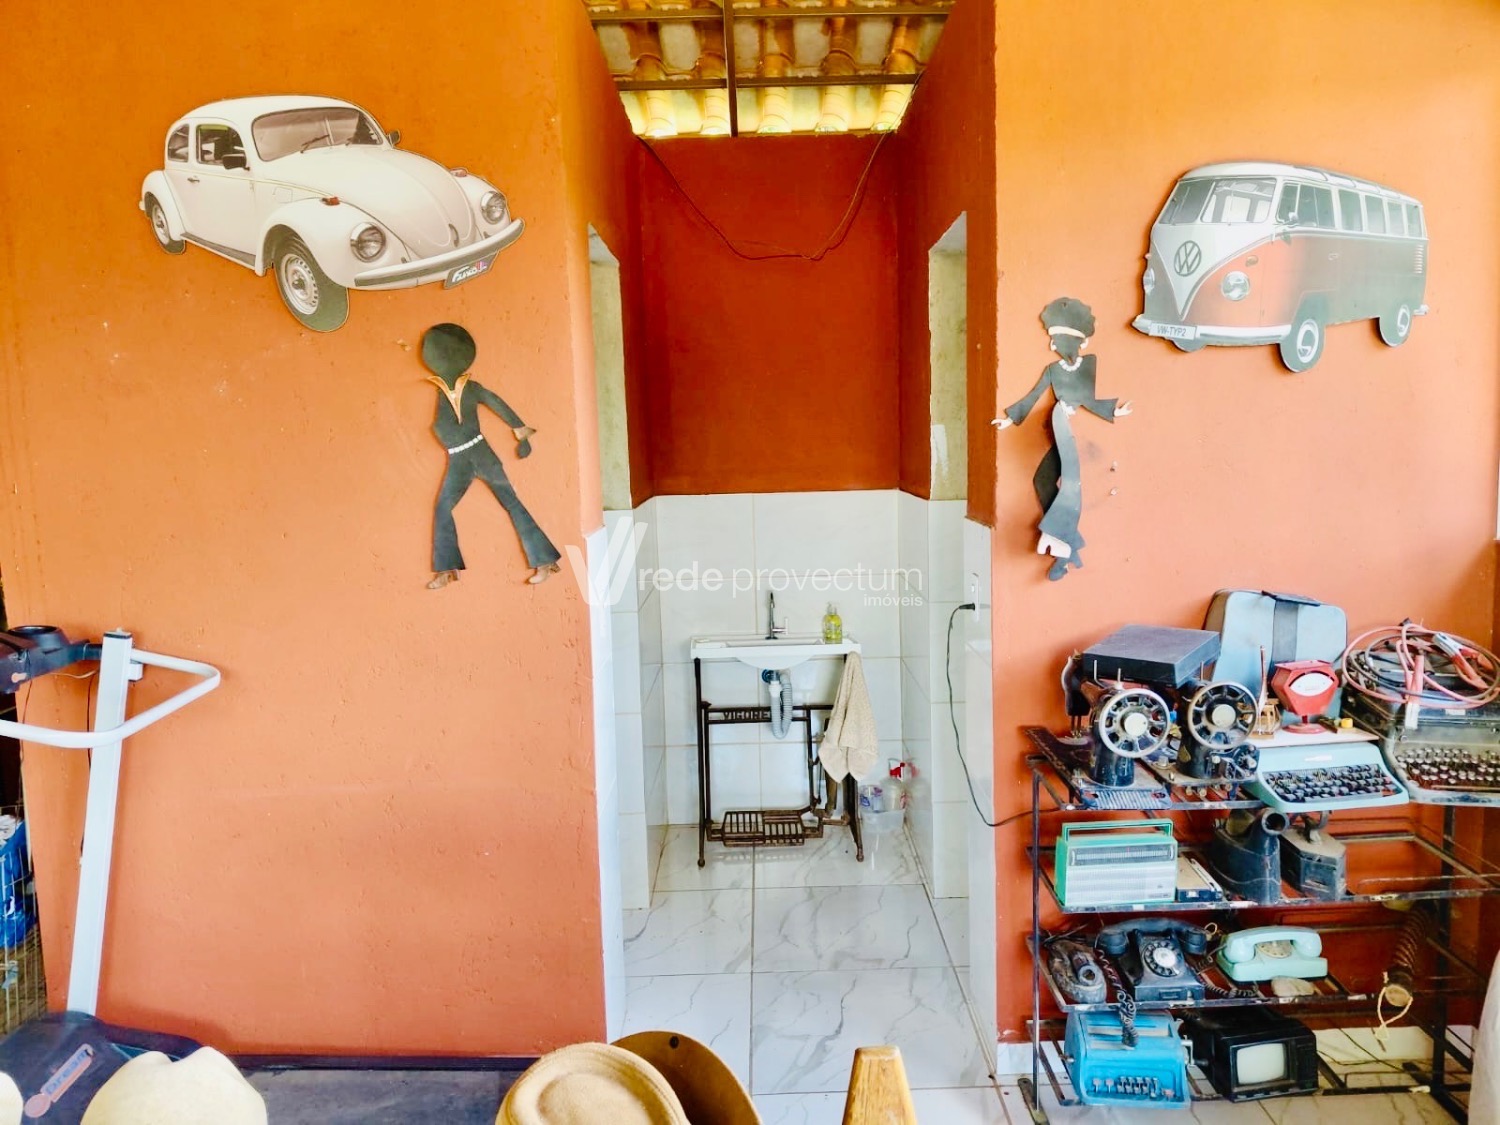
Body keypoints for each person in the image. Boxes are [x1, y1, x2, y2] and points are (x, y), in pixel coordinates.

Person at [993, 298, 1131, 581]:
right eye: (1052, 338)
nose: (1053, 345)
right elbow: (1034, 395)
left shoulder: (1087, 365)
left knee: (1067, 482)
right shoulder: (1053, 370)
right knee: (1044, 480)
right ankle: (1065, 542)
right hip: (1058, 422)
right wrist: (1010, 418)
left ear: (1078, 341)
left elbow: (1087, 399)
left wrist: (1112, 410)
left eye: (1058, 339)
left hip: (1064, 427)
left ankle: (1063, 543)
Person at [421, 323, 561, 589]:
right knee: (442, 507)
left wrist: (520, 431)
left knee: (512, 503)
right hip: (458, 460)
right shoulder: (441, 390)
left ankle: (545, 562)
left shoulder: (471, 387)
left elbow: (496, 402)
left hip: (480, 453)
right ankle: (447, 569)